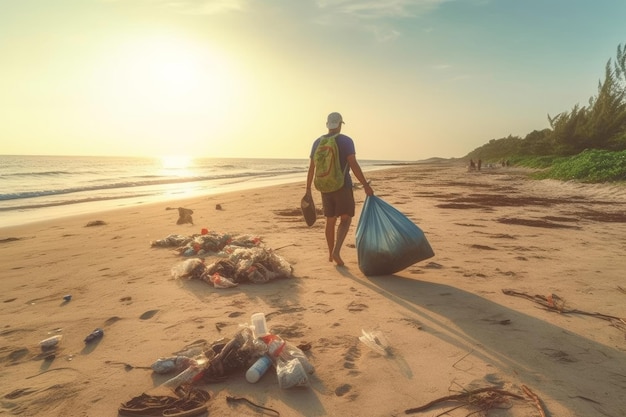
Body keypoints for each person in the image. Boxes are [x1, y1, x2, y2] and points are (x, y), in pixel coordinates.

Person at [305, 112, 374, 267]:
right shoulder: (346, 141)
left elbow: (311, 168)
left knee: (330, 220)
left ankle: (330, 253)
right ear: (340, 124)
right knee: (345, 218)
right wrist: (365, 185)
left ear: (327, 124)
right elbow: (353, 164)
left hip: (324, 187)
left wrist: (308, 189)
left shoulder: (317, 142)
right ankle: (336, 251)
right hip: (342, 186)